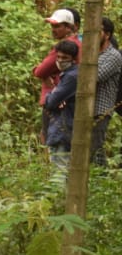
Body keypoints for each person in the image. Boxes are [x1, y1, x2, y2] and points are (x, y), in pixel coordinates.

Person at [34, 8, 81, 144]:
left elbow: (41, 71)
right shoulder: (78, 43)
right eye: (52, 26)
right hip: (68, 99)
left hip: (57, 98)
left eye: (57, 26)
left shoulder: (65, 46)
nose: (53, 29)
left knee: (53, 140)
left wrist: (37, 70)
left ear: (69, 27)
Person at [43, 38, 81, 170]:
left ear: (73, 59)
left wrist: (49, 93)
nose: (60, 60)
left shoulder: (71, 77)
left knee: (60, 170)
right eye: (58, 56)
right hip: (62, 127)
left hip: (63, 128)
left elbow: (51, 102)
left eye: (64, 57)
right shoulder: (68, 75)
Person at [89, 17, 122, 168]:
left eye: (98, 31)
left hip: (101, 110)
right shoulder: (91, 53)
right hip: (86, 109)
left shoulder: (113, 56)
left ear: (107, 34)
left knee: (96, 148)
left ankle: (102, 179)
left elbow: (96, 77)